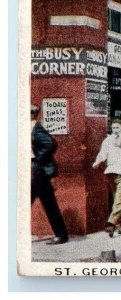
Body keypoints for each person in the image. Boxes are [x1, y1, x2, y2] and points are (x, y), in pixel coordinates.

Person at [93, 119, 121, 237]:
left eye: (118, 128)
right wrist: (97, 162)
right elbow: (103, 153)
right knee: (117, 200)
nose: (115, 130)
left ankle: (111, 223)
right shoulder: (108, 140)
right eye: (113, 128)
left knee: (119, 198)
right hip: (111, 172)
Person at [30, 105, 69, 245]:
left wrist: (37, 159)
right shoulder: (28, 128)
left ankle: (61, 235)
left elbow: (51, 143)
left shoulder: (35, 128)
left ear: (31, 114)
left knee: (49, 203)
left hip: (37, 170)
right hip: (32, 169)